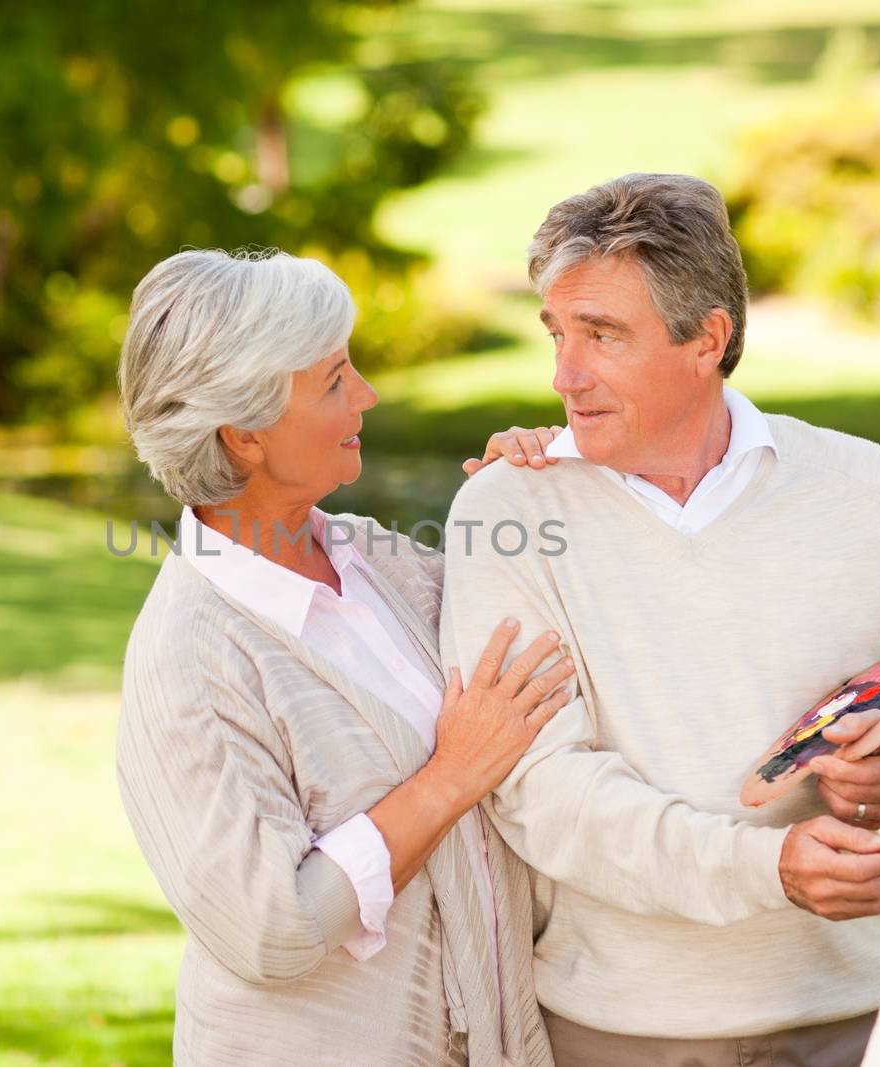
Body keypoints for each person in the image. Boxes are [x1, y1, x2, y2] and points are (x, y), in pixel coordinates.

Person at [440, 173, 880, 1067]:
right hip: (627, 1034)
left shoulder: (864, 487)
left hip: (860, 1015)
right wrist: (766, 868)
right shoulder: (511, 512)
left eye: (602, 335)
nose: (563, 375)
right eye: (558, 333)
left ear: (707, 338)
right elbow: (543, 791)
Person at [115, 248, 575, 1066]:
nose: (365, 394)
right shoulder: (191, 653)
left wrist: (529, 485)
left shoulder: (375, 559)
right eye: (333, 382)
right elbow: (271, 927)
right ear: (243, 434)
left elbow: (542, 634)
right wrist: (449, 776)